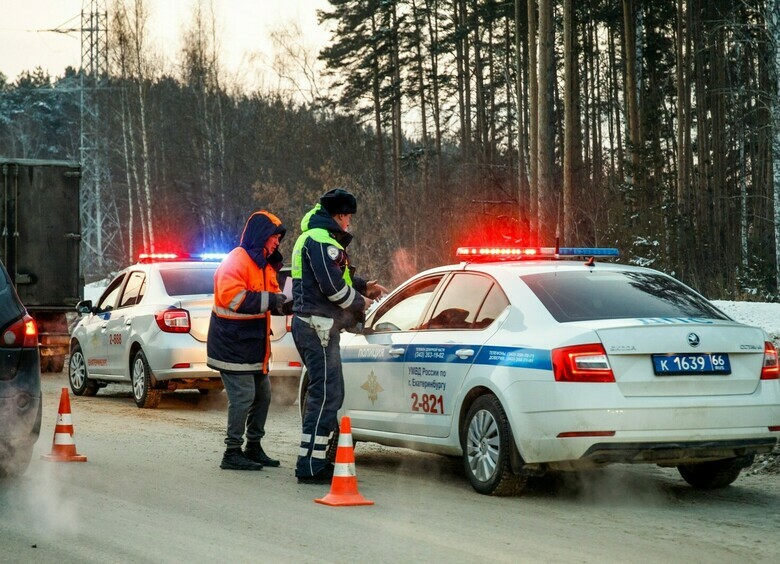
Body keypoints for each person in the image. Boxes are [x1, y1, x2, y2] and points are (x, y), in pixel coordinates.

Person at [291, 188, 387, 484]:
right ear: (340, 215)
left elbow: (336, 279)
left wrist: (362, 285)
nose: (349, 224)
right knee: (325, 395)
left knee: (328, 393)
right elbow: (332, 289)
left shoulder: (317, 239)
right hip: (317, 326)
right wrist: (362, 304)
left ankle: (314, 460)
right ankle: (311, 465)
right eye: (348, 218)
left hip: (316, 325)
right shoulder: (321, 241)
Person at [207, 210, 289, 471]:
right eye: (274, 237)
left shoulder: (264, 263)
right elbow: (234, 299)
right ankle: (232, 452)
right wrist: (272, 300)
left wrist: (286, 303)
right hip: (232, 346)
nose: (277, 242)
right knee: (243, 397)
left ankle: (253, 447)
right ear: (261, 236)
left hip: (253, 347)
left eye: (278, 238)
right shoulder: (237, 260)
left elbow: (272, 297)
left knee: (262, 396)